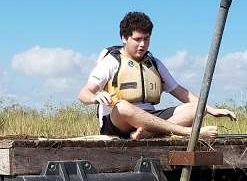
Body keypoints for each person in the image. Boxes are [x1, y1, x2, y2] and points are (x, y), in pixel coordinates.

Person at [78, 11, 237, 140]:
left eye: (146, 39)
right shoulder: (111, 62)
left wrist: (211, 110)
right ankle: (188, 132)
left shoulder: (154, 63)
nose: (142, 44)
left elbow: (181, 92)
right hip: (119, 122)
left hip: (149, 120)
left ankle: (148, 134)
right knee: (123, 107)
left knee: (196, 109)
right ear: (124, 38)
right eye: (137, 39)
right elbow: (84, 94)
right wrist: (95, 97)